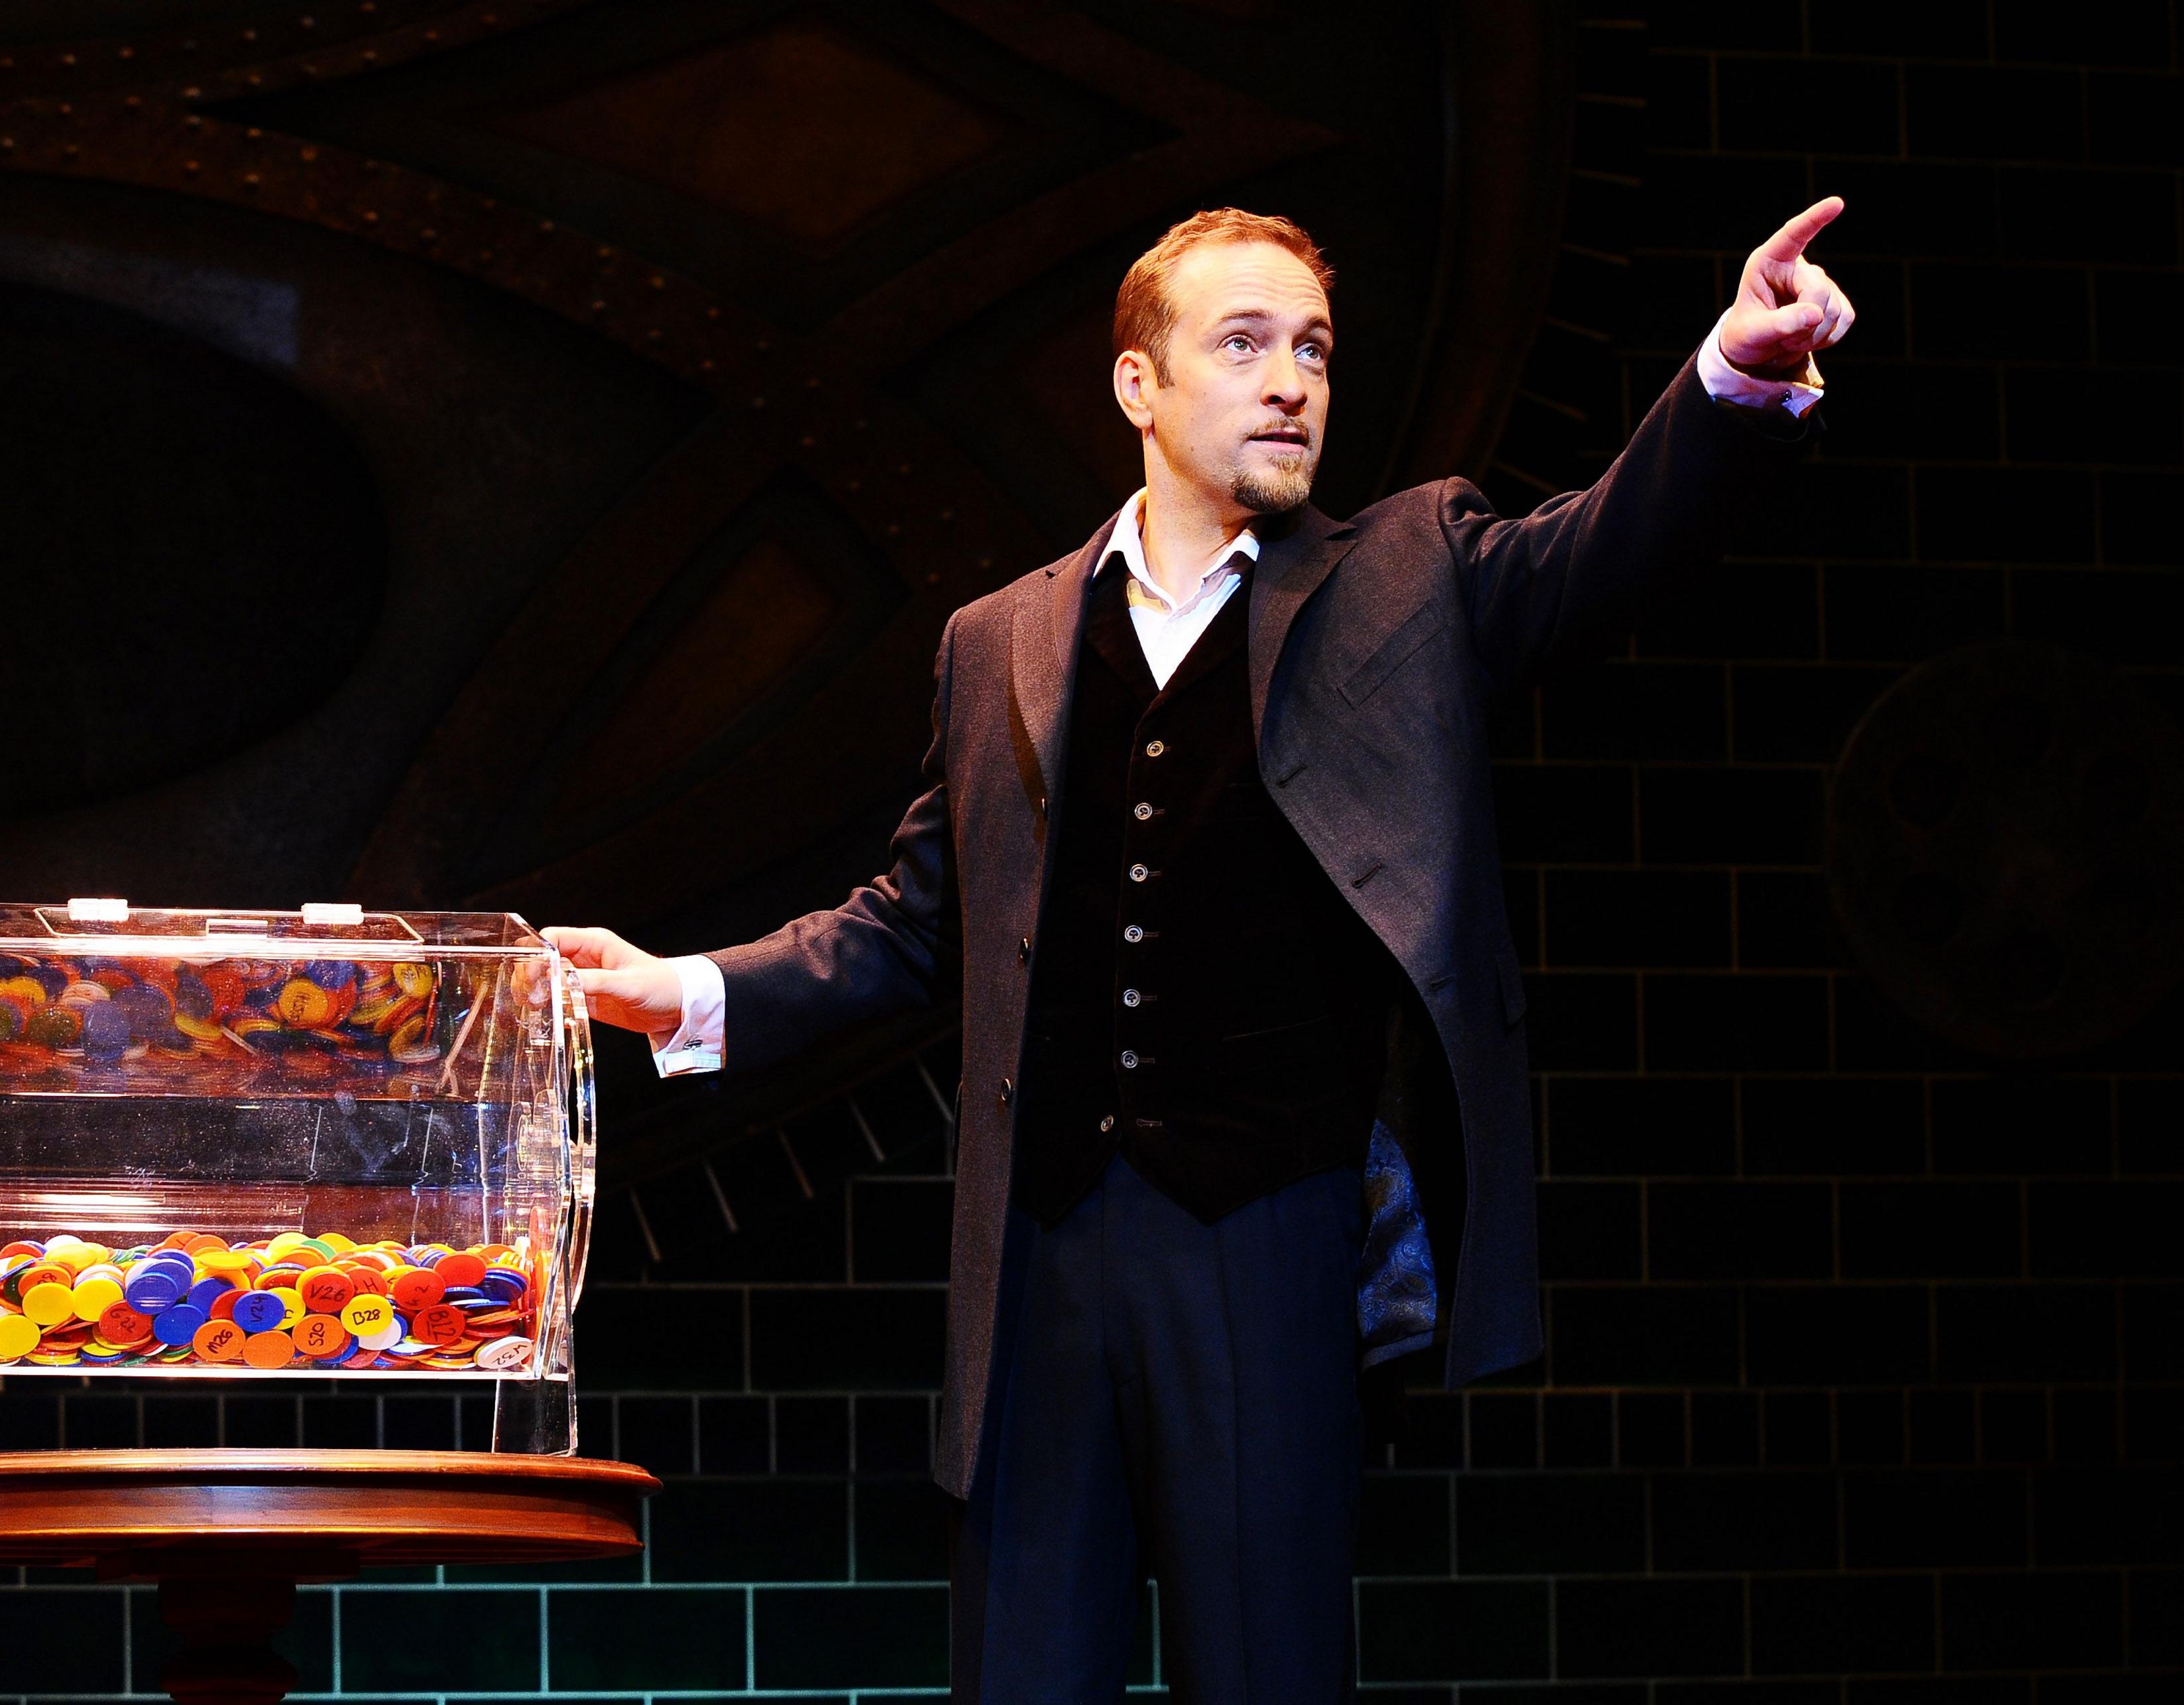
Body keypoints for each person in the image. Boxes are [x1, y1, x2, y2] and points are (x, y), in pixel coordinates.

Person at [547, 198, 1853, 1702]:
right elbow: (914, 924)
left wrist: (1737, 378)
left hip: (1268, 1241)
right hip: (1043, 1260)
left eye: (1314, 348)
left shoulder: (1407, 571)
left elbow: (1601, 553)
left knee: (1266, 1673)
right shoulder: (1003, 642)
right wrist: (690, 990)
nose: (1292, 378)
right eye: (1244, 344)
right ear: (1139, 387)